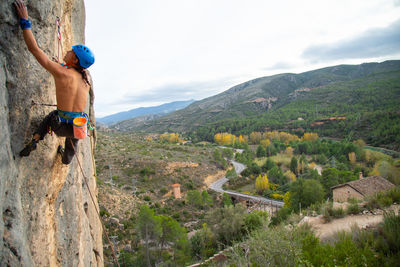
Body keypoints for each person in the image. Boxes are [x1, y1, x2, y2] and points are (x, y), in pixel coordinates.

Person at [15, 0, 95, 164]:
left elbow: (34, 49)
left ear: (74, 59)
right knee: (72, 141)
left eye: (71, 52)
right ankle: (66, 159)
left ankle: (36, 139)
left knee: (52, 115)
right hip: (78, 127)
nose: (67, 51)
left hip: (59, 125)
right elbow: (74, 70)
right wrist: (63, 64)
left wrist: (25, 21)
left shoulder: (62, 72)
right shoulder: (86, 79)